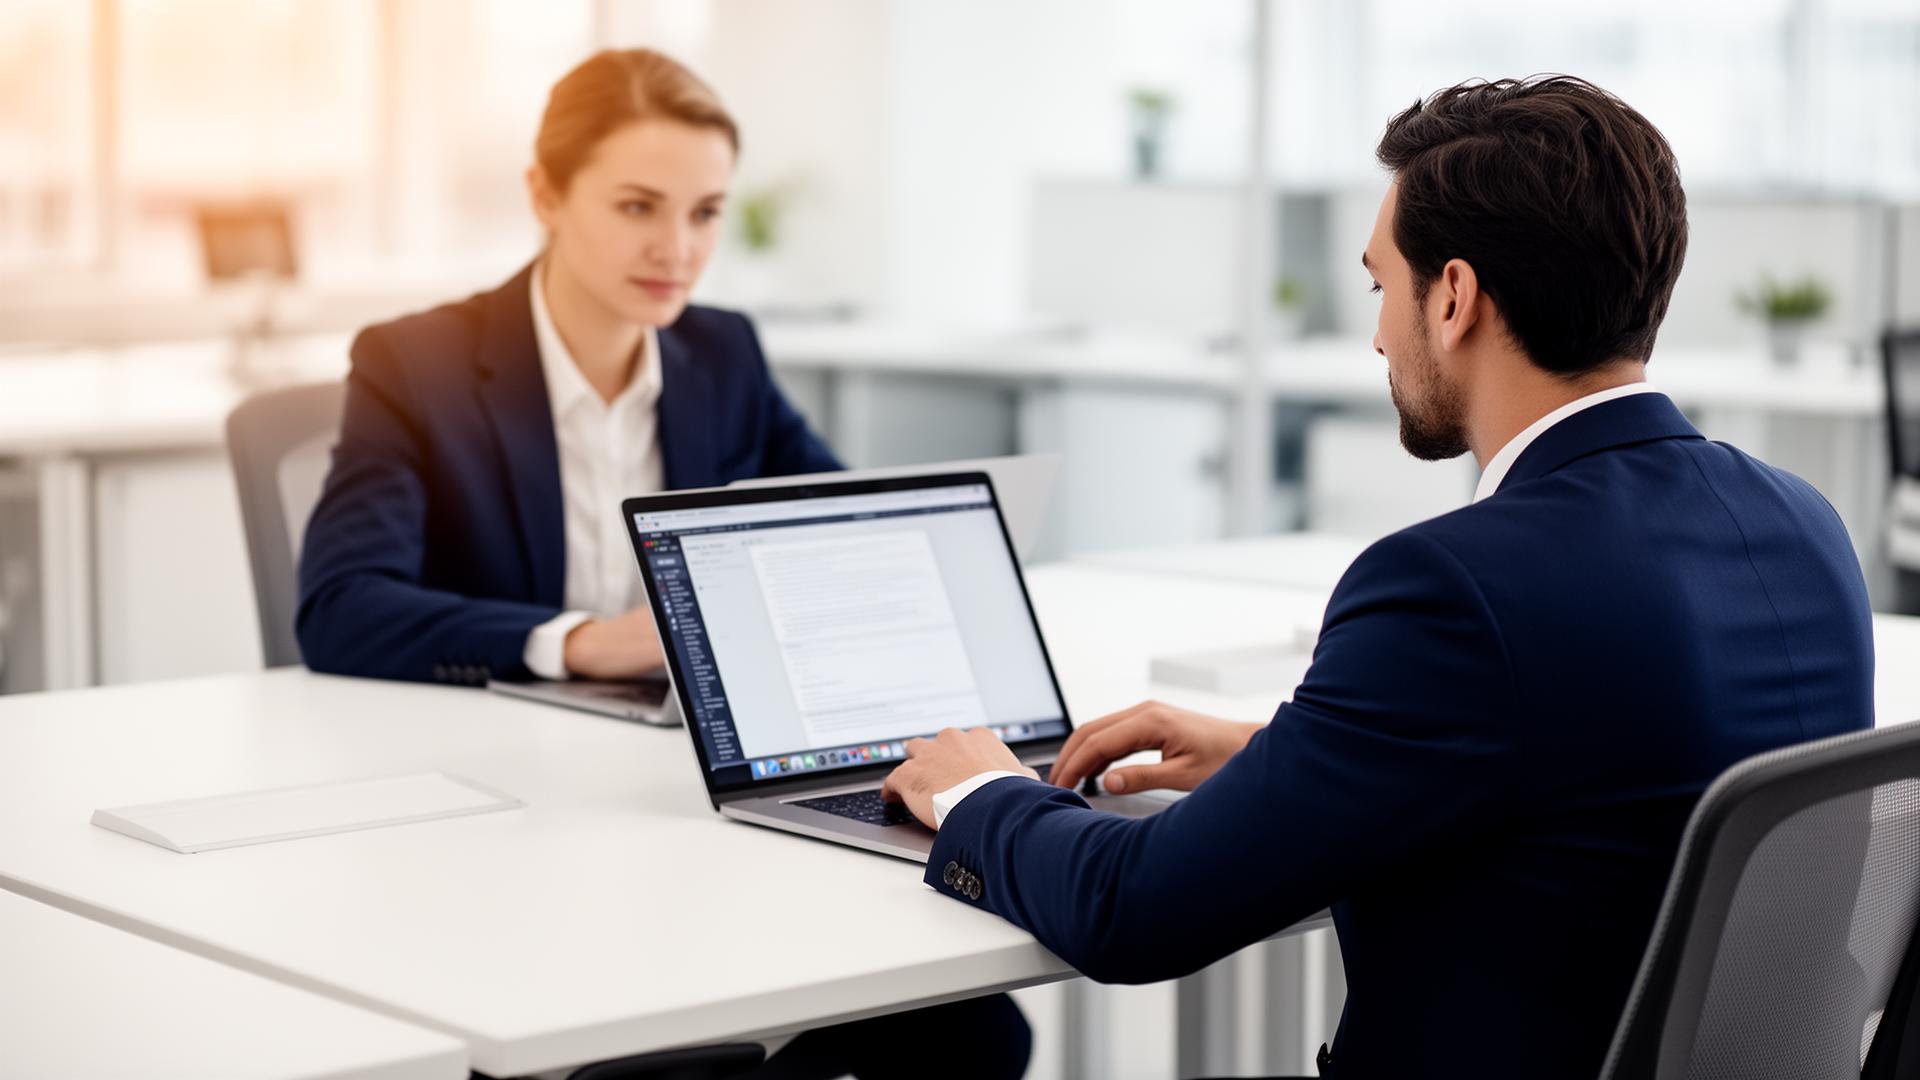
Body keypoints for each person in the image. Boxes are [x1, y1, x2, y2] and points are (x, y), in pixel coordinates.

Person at [882, 76, 1875, 1079]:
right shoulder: (1802, 523)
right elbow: (1606, 771)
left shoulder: (1454, 587)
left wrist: (982, 790)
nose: (1376, 335)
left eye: (1379, 287)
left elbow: (1131, 910)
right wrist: (1282, 759)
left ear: (1452, 298)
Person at [298, 49, 1029, 1079]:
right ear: (546, 195)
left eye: (705, 213)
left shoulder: (720, 354)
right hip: (513, 815)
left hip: (691, 793)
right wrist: (582, 644)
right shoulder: (417, 363)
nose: (677, 249)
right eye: (639, 206)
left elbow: (837, 526)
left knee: (975, 1030)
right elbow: (341, 605)